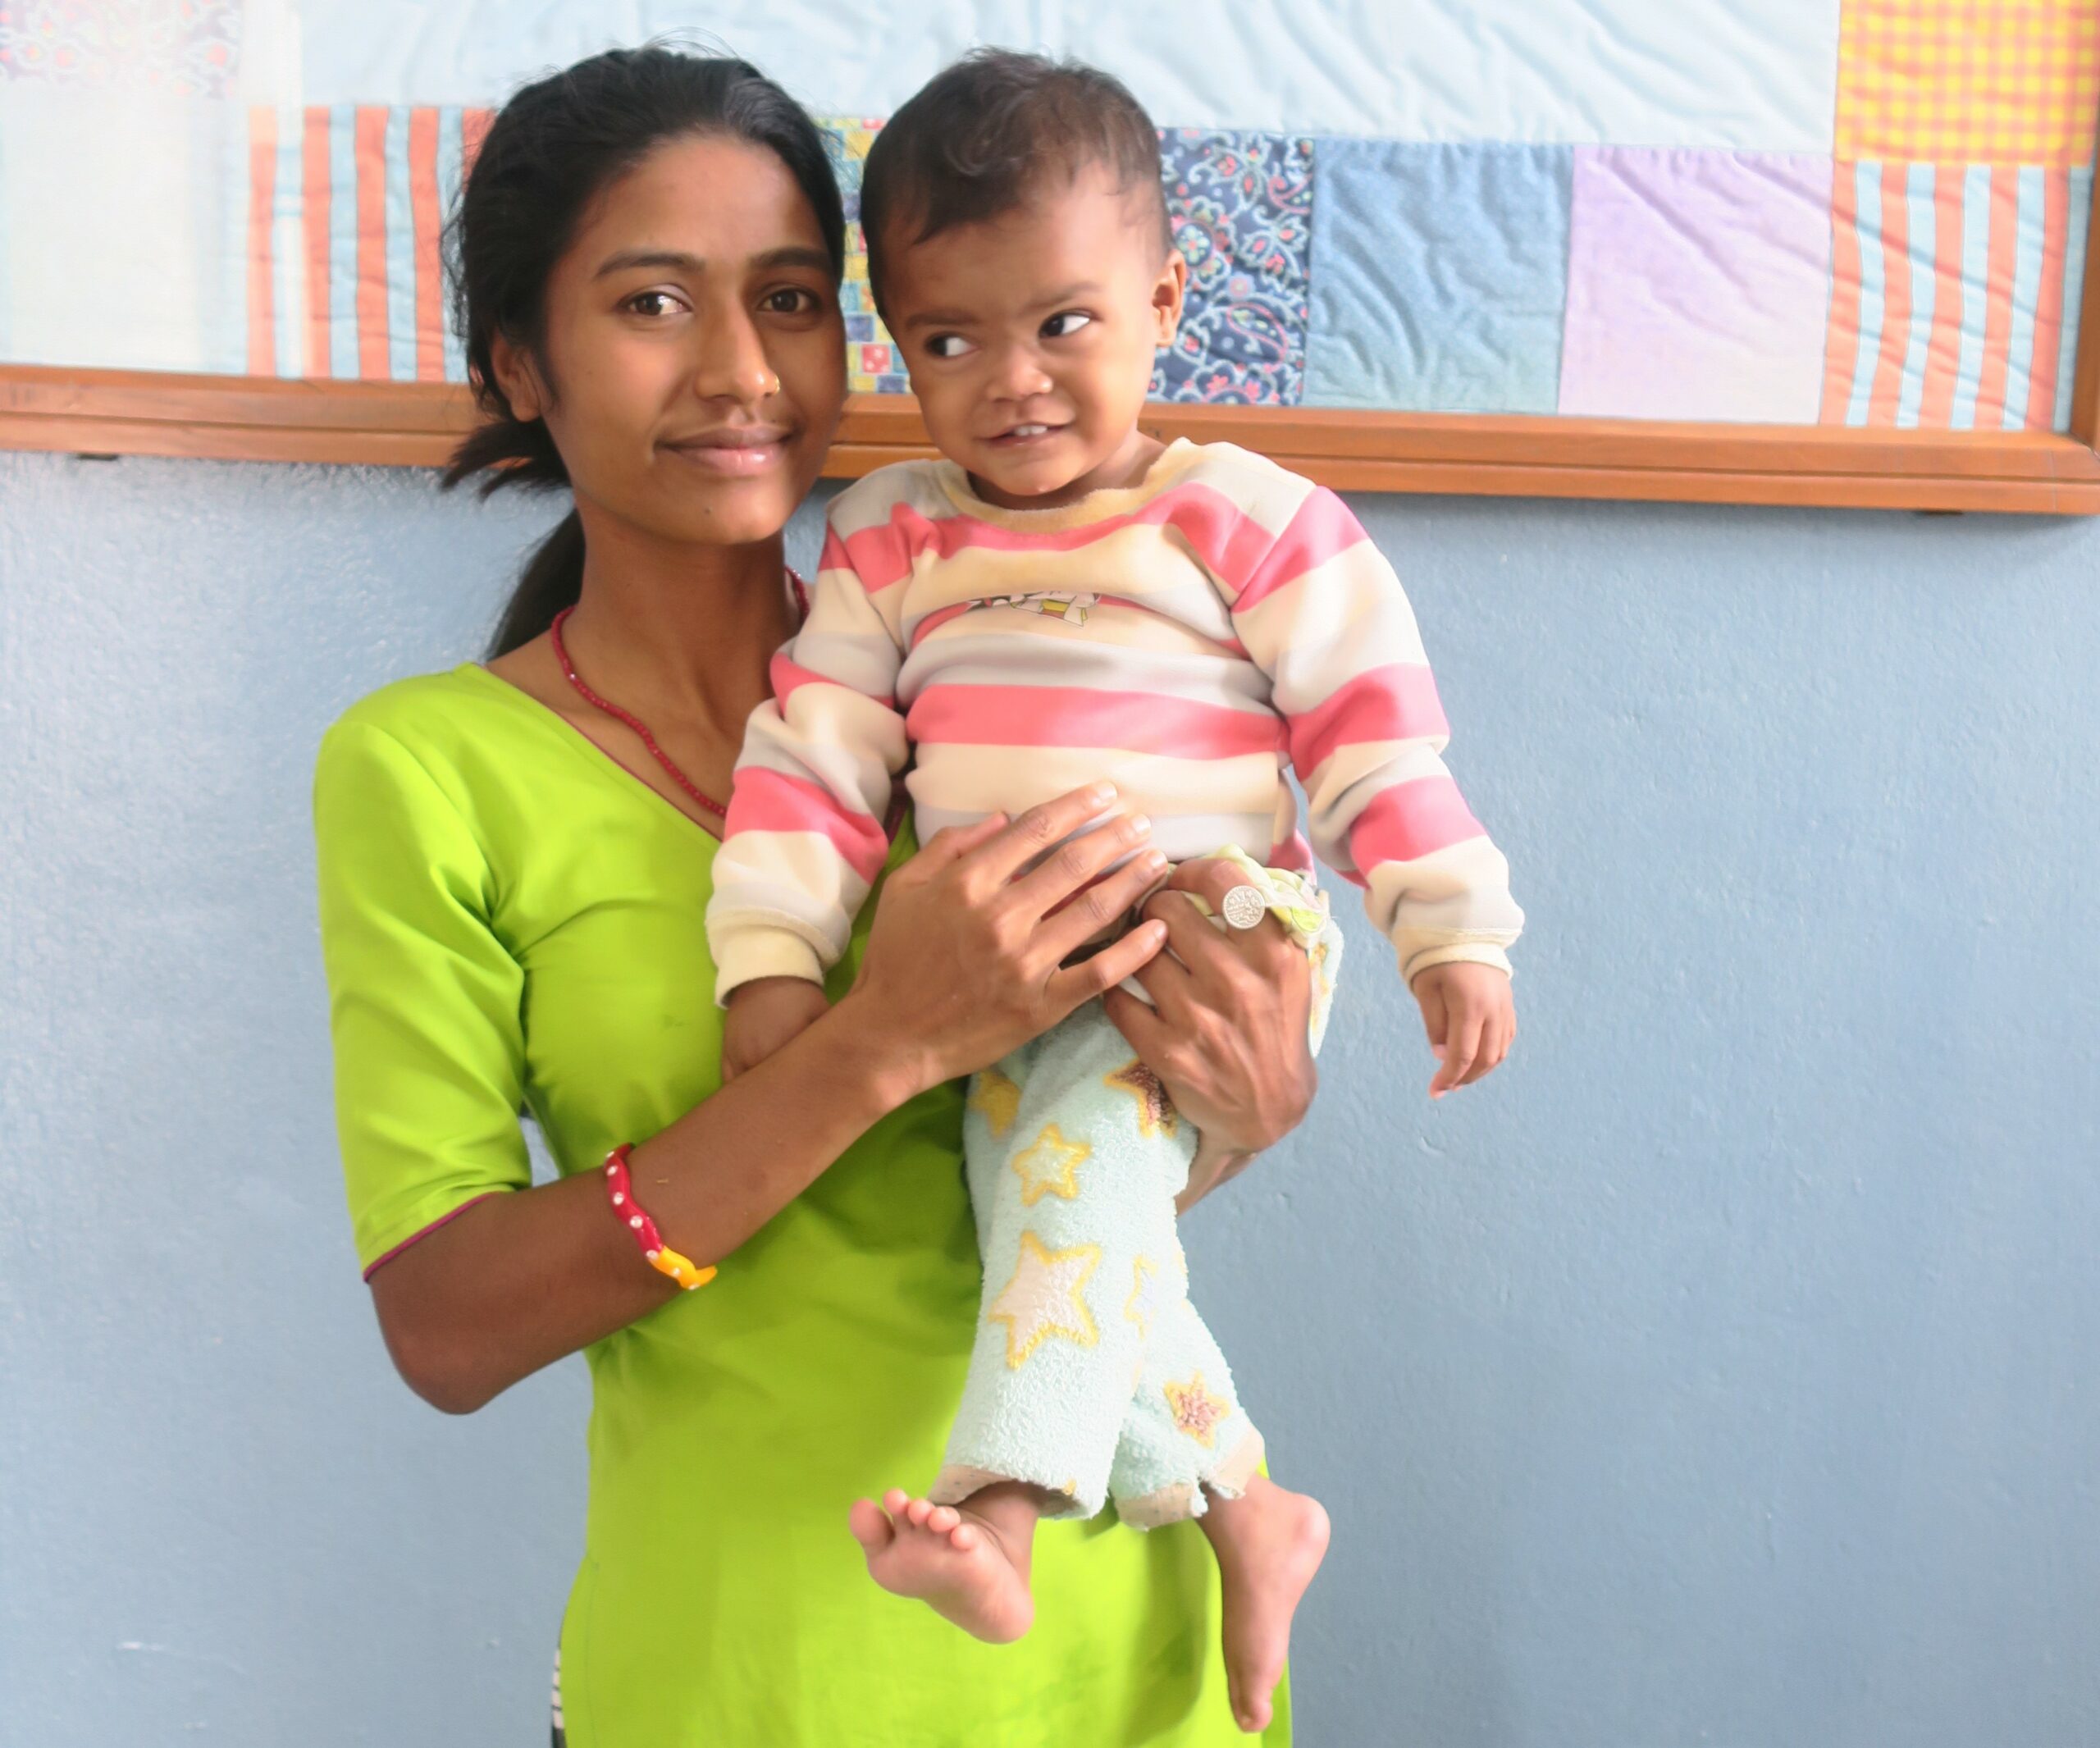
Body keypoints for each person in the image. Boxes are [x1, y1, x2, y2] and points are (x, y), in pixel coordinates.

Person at [312, 44, 1322, 1748]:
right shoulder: (427, 771)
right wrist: (874, 1043)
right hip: (741, 1677)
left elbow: (1063, 1163)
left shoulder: (1002, 681)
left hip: (1130, 1663)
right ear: (517, 364)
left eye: (787, 300)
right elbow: (449, 1321)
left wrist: (1248, 1101)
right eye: (649, 303)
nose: (738, 371)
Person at [705, 50, 1525, 1735]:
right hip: (1010, 968)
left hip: (1200, 929)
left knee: (1061, 1156)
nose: (1009, 380)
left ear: (1160, 298)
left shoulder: (1241, 519)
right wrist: (771, 968)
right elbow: (812, 757)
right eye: (948, 340)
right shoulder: (889, 536)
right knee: (1046, 1195)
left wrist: (1447, 929)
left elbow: (1375, 741)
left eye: (1061, 324)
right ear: (895, 339)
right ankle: (1240, 1501)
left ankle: (1006, 1506)